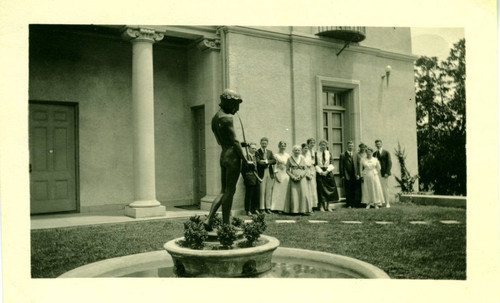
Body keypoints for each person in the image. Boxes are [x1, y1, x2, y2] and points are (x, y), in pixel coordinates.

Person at [205, 88, 251, 227]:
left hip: (223, 155)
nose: (237, 109)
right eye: (235, 105)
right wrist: (246, 160)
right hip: (233, 158)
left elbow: (223, 141)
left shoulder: (215, 118)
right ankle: (226, 223)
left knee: (224, 191)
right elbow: (235, 142)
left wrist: (239, 144)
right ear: (228, 103)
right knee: (230, 191)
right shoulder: (227, 118)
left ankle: (209, 219)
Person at [283, 145, 312, 215]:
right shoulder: (289, 159)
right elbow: (287, 170)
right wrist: (293, 177)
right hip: (293, 179)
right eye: (295, 150)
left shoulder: (302, 159)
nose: (297, 152)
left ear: (300, 151)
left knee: (303, 194)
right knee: (294, 194)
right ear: (293, 151)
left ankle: (303, 210)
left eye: (298, 150)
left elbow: (305, 169)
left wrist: (301, 176)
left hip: (302, 179)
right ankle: (294, 210)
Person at [314, 140, 339, 212]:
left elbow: (332, 163)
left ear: (326, 145)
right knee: (321, 189)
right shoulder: (316, 153)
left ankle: (328, 206)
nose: (323, 146)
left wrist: (327, 171)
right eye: (321, 145)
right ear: (319, 145)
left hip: (328, 172)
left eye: (324, 145)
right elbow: (315, 164)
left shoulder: (329, 153)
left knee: (330, 189)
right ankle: (321, 206)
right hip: (320, 172)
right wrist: (321, 172)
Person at [256, 137, 276, 214]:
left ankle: (268, 208)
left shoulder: (270, 152)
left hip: (269, 172)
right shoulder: (257, 152)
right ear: (260, 143)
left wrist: (266, 161)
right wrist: (265, 163)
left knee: (268, 191)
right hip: (261, 173)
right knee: (262, 191)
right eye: (263, 143)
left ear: (267, 144)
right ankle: (262, 208)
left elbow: (274, 161)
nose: (264, 145)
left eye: (265, 143)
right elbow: (258, 162)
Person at [241, 143, 260, 216]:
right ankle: (248, 210)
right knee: (249, 195)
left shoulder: (256, 156)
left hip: (256, 177)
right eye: (252, 148)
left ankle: (255, 209)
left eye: (255, 148)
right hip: (249, 177)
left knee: (256, 194)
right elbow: (242, 169)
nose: (254, 150)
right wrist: (246, 177)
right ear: (249, 149)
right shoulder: (246, 156)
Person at [270, 141, 290, 213]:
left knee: (285, 190)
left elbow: (289, 166)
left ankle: (285, 208)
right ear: (279, 146)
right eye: (281, 146)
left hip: (285, 173)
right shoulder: (276, 155)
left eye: (284, 146)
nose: (283, 147)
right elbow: (274, 166)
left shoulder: (287, 155)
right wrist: (276, 174)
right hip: (279, 172)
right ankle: (276, 207)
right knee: (278, 190)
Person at [374, 139, 392, 208]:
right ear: (375, 145)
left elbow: (389, 163)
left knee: (385, 188)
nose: (378, 145)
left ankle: (387, 203)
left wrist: (387, 172)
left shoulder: (386, 152)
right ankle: (380, 202)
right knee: (378, 188)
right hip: (377, 173)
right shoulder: (375, 153)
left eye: (379, 144)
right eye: (377, 144)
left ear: (381, 144)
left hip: (384, 173)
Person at [339, 141, 356, 208]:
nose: (350, 147)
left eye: (352, 146)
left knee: (353, 189)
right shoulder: (343, 155)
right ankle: (348, 204)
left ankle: (353, 203)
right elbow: (341, 165)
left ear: (353, 146)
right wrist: (342, 175)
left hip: (354, 174)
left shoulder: (355, 154)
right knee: (347, 189)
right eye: (349, 146)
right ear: (347, 146)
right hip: (346, 174)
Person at [304, 138, 319, 209]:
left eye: (313, 143)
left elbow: (315, 162)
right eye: (311, 143)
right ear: (308, 144)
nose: (312, 144)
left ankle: (313, 204)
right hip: (306, 169)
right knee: (307, 186)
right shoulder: (305, 152)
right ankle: (307, 204)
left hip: (312, 169)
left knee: (313, 186)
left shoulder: (314, 152)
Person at [302, 143, 316, 211]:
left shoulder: (309, 156)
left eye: (307, 148)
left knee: (311, 189)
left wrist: (311, 174)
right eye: (305, 148)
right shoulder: (301, 157)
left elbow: (312, 166)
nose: (306, 150)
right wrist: (306, 174)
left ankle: (311, 206)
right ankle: (304, 206)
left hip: (310, 173)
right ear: (302, 149)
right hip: (304, 174)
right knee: (305, 189)